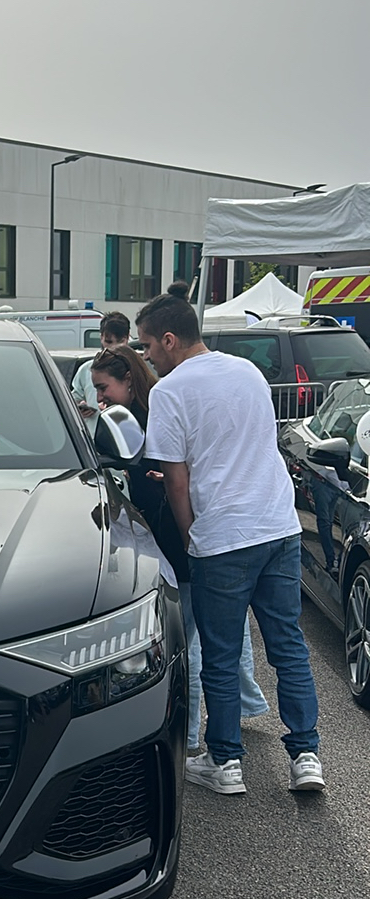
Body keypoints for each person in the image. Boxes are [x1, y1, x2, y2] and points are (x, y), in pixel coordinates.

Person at [136, 292, 323, 796]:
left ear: (170, 339)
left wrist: (192, 534)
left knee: (219, 654)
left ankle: (226, 763)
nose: (147, 355)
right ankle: (306, 756)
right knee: (288, 646)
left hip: (223, 536)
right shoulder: (248, 372)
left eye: (149, 345)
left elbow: (176, 482)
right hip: (278, 525)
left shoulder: (169, 392)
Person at [90, 346, 269, 751]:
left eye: (104, 388)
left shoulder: (138, 420)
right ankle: (244, 704)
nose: (100, 398)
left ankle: (189, 737)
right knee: (225, 632)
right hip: (202, 536)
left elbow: (177, 478)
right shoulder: (154, 410)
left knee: (187, 644)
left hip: (181, 541)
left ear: (128, 381)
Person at [71, 311, 131, 426]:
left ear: (128, 337)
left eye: (120, 342)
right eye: (108, 341)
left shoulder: (137, 369)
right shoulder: (85, 370)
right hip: (93, 437)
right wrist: (79, 407)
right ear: (101, 337)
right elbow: (73, 400)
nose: (114, 347)